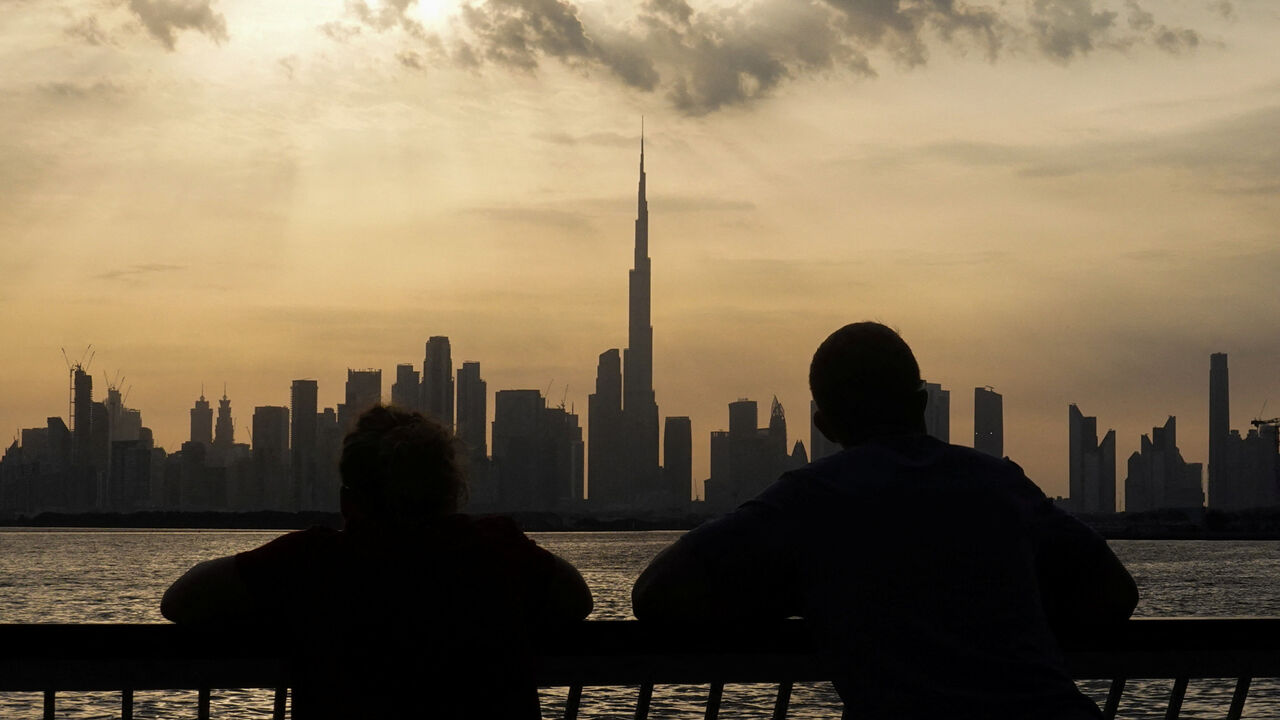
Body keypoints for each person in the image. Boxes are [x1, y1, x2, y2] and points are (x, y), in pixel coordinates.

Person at [632, 322, 1137, 720]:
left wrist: (797, 592)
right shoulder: (1001, 483)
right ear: (922, 402)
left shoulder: (810, 500)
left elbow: (655, 593)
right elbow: (1115, 593)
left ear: (823, 425)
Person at [162, 405, 592, 719]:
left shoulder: (315, 562)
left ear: (349, 498)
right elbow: (577, 599)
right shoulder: (497, 550)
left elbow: (181, 601)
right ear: (450, 491)